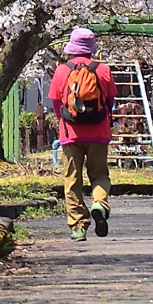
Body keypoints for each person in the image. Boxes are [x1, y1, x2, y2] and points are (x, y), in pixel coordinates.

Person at [46, 27, 117, 242]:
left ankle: (78, 226)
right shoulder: (103, 70)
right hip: (98, 133)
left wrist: (68, 119)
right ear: (91, 49)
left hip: (70, 133)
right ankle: (99, 203)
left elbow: (57, 105)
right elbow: (109, 102)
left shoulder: (62, 71)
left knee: (72, 180)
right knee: (100, 175)